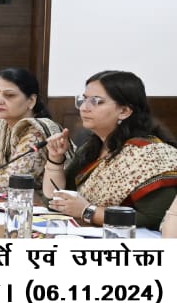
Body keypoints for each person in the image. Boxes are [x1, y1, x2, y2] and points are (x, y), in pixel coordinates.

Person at [44, 71, 177, 230]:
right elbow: (56, 197)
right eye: (83, 100)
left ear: (124, 111)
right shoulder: (93, 146)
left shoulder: (149, 155)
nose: (84, 108)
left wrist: (88, 211)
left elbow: (154, 218)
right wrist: (55, 159)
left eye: (96, 101)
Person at [0, 68, 62, 191]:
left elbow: (11, 184)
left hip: (35, 201)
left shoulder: (38, 133)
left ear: (31, 101)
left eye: (9, 95)